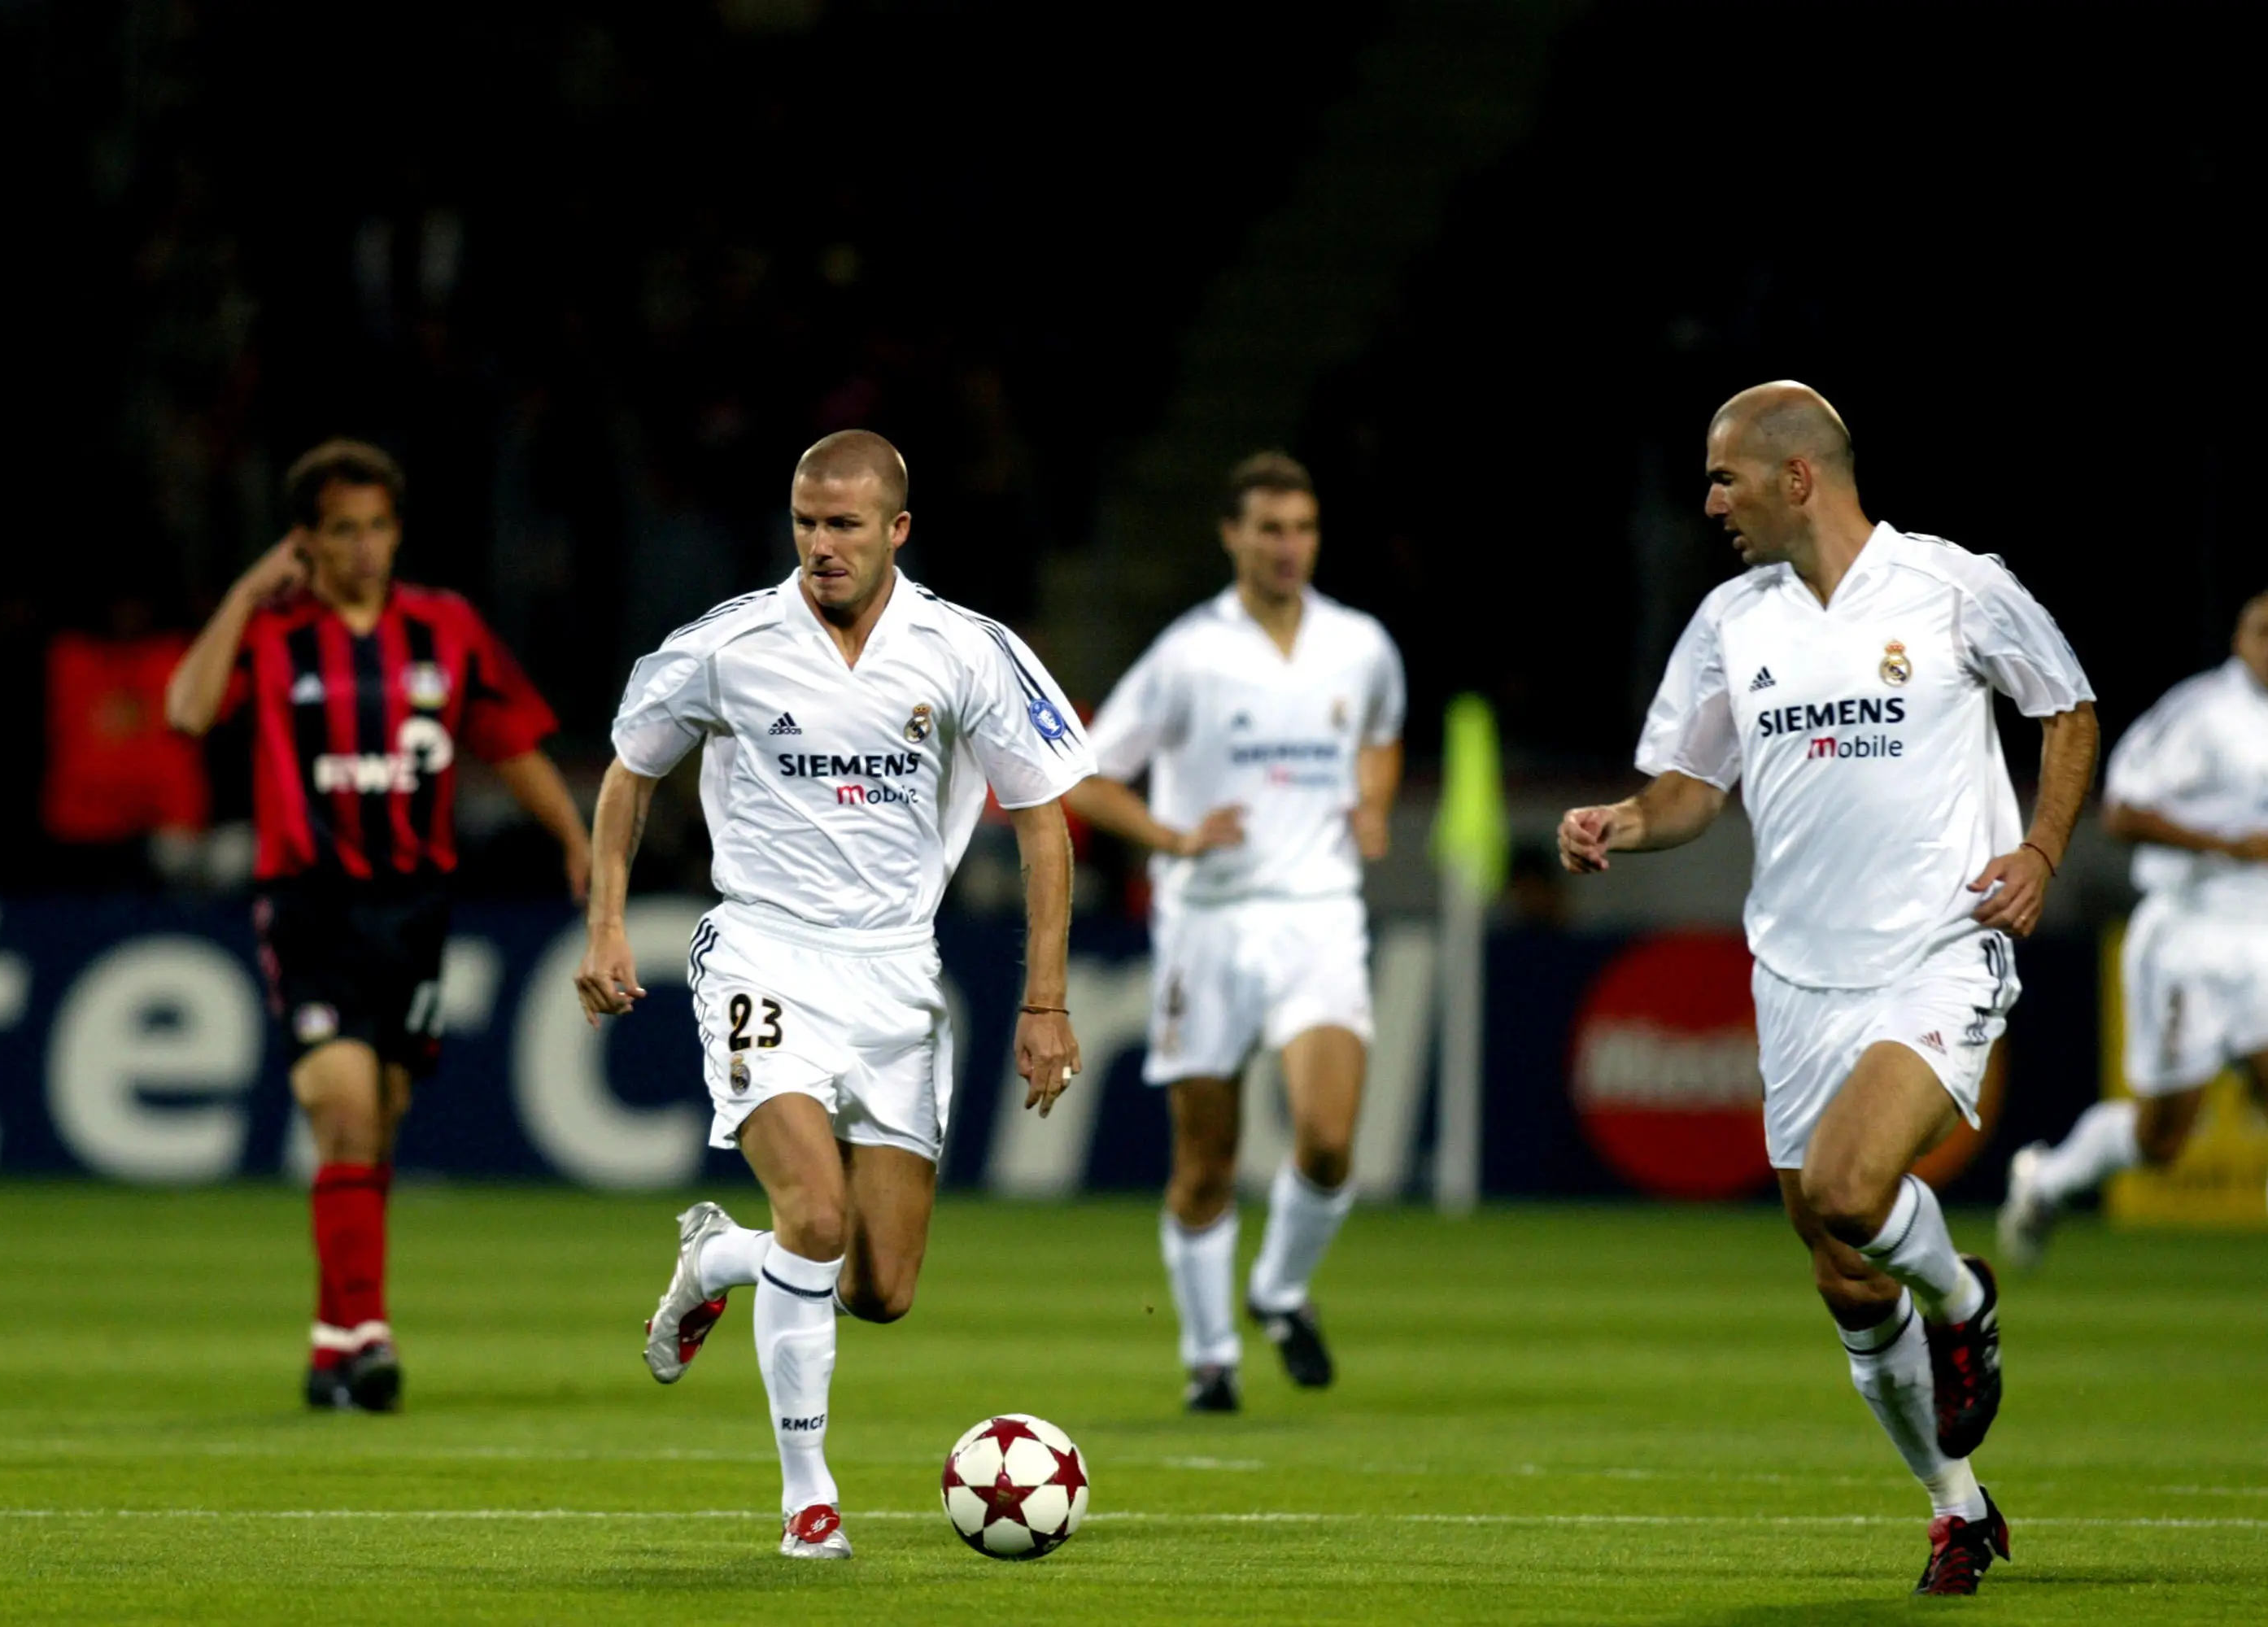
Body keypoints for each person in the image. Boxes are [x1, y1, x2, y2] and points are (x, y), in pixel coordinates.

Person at [1557, 382, 2097, 1596]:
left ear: (1797, 477)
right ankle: (1956, 1507)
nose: (1709, 503)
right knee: (1841, 1269)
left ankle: (1963, 1302)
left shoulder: (1955, 587)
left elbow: (2066, 706)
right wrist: (1618, 825)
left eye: (1723, 478)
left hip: (1939, 949)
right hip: (1796, 973)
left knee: (1857, 1192)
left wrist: (2042, 850)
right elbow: (1692, 792)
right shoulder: (1730, 624)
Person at [574, 430, 1090, 1560]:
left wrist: (1043, 1001)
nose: (821, 545)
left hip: (897, 977)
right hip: (763, 955)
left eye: (845, 525)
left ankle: (718, 1261)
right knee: (814, 1212)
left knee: (880, 1287)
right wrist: (608, 922)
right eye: (807, 523)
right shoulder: (732, 645)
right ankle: (809, 1502)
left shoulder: (965, 651)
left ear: (897, 530)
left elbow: (1045, 819)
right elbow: (629, 773)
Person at [167, 438, 591, 1411]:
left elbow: (509, 738)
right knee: (345, 1111)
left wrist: (573, 834)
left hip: (415, 909)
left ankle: (330, 1341)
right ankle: (370, 1337)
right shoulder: (274, 633)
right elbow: (188, 709)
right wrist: (245, 592)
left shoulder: (444, 626)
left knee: (379, 1127)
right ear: (305, 542)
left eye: (378, 526)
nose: (364, 547)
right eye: (342, 531)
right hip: (310, 906)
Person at [1062, 451, 1402, 1413]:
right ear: (1233, 536)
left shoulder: (1359, 644)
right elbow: (1086, 772)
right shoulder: (1188, 653)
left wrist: (1373, 802)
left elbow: (1382, 732)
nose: (1288, 545)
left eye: (1302, 527)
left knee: (1331, 1141)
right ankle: (1211, 1356)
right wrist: (1171, 835)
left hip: (1318, 916)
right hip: (1206, 926)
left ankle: (1280, 1290)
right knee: (1206, 1160)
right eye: (1269, 528)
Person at [2000, 587, 2268, 1323]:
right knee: (2162, 1138)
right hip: (2190, 939)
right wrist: (2227, 843)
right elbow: (2123, 809)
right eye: (2265, 630)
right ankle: (2048, 1178)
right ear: (2239, 638)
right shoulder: (2202, 715)